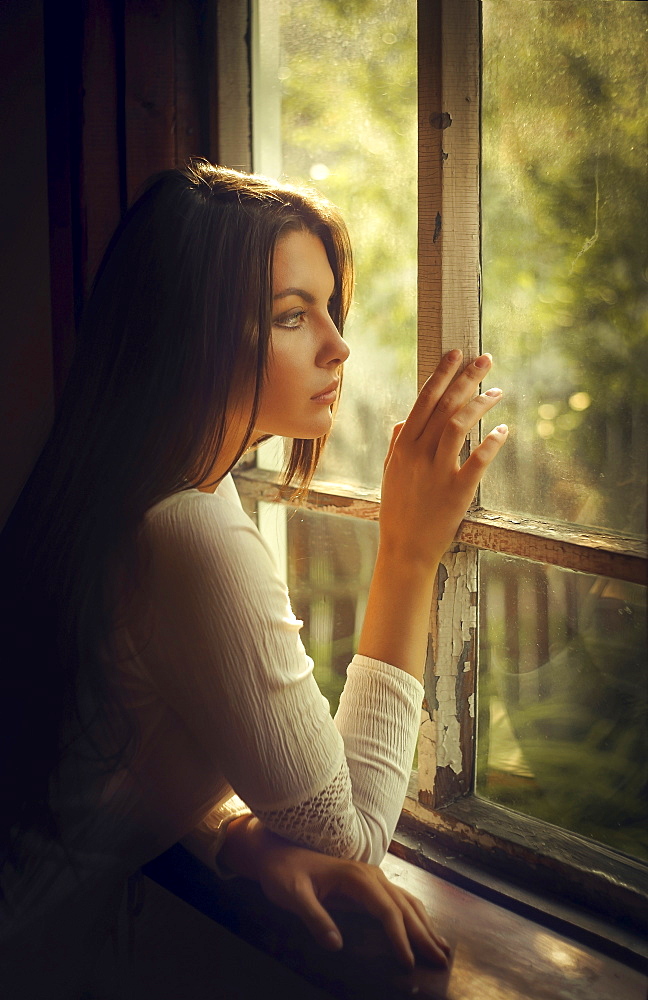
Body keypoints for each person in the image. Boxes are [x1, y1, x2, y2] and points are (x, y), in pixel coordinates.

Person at [0, 159, 507, 996]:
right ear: (191, 332)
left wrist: (238, 836)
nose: (338, 345)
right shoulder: (187, 527)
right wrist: (409, 551)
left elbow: (118, 758)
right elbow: (351, 839)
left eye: (329, 310)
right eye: (291, 316)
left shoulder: (114, 493)